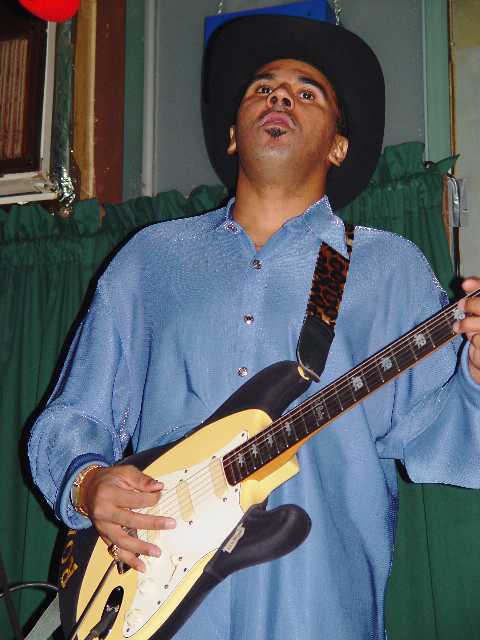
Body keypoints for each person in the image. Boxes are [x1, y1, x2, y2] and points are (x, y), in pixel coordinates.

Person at [28, 15, 480, 640]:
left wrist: (476, 376)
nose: (280, 99)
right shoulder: (150, 260)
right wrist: (87, 483)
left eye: (306, 93)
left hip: (318, 609)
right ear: (233, 136)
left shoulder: (387, 268)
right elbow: (72, 416)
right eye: (262, 89)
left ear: (338, 146)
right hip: (152, 604)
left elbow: (446, 436)